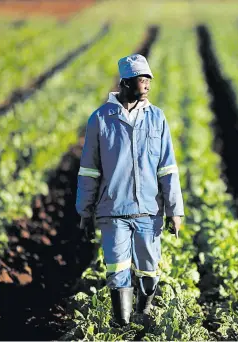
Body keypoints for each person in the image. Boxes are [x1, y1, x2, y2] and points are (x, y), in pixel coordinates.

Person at [75, 53, 184, 328]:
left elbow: (167, 168)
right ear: (125, 82)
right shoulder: (100, 119)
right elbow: (89, 169)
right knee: (117, 266)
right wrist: (85, 211)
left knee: (149, 267)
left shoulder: (157, 118)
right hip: (113, 210)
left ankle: (143, 313)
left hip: (149, 210)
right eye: (141, 79)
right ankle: (122, 322)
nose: (147, 84)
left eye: (149, 79)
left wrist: (175, 210)